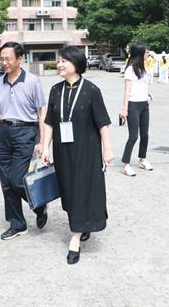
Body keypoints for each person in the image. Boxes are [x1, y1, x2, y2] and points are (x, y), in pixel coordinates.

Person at [41, 47, 114, 265]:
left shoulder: (91, 90)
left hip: (87, 150)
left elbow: (103, 123)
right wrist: (45, 147)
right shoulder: (55, 90)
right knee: (69, 190)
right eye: (58, 61)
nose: (59, 64)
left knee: (82, 189)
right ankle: (82, 225)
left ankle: (75, 238)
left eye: (64, 61)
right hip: (63, 151)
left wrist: (107, 149)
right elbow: (49, 122)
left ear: (76, 63)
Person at [0, 42, 48, 240]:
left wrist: (43, 142)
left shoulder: (32, 81)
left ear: (20, 59)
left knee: (16, 180)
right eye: (1, 59)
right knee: (6, 183)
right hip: (4, 133)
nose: (4, 63)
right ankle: (17, 224)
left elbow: (42, 113)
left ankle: (39, 204)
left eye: (8, 59)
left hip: (25, 132)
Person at [120, 44, 153, 176]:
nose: (148, 54)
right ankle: (125, 164)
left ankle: (142, 159)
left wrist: (148, 96)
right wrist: (124, 109)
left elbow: (144, 86)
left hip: (144, 104)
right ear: (140, 54)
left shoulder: (143, 68)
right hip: (133, 105)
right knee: (133, 136)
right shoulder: (130, 70)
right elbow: (127, 91)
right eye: (146, 52)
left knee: (145, 135)